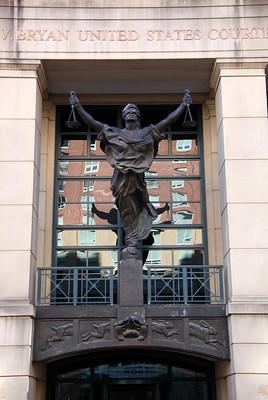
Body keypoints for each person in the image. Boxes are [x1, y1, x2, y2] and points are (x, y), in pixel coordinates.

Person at [69, 90, 192, 257]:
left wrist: (183, 106)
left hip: (138, 180)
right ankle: (131, 241)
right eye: (128, 111)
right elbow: (92, 122)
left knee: (139, 209)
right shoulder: (114, 133)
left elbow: (168, 121)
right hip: (121, 180)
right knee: (127, 211)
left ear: (138, 117)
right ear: (124, 115)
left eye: (134, 111)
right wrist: (77, 106)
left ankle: (134, 240)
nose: (131, 113)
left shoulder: (146, 132)